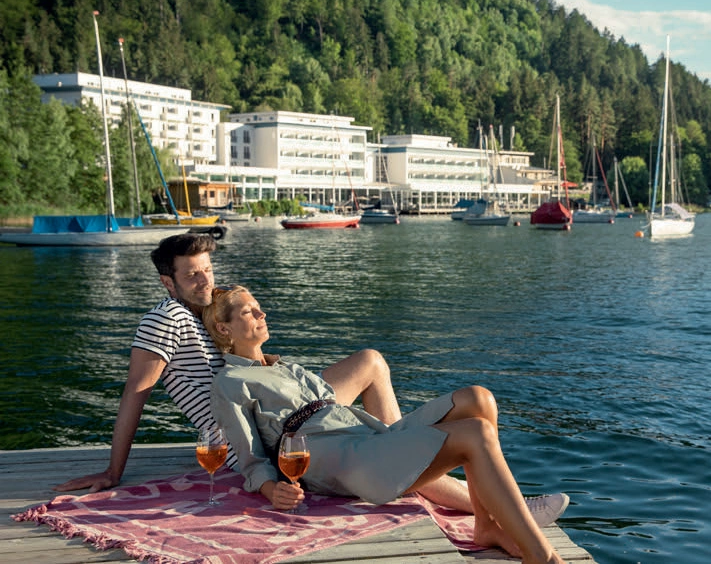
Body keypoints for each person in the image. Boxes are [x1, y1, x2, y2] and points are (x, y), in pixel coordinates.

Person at [52, 234, 566, 528]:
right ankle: (476, 497)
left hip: (272, 405)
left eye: (207, 270)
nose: (205, 281)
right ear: (168, 282)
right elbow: (135, 393)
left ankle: (397, 447)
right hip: (248, 431)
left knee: (370, 361)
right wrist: (113, 472)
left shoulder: (207, 311)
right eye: (192, 275)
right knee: (377, 426)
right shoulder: (164, 318)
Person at [203, 286, 567, 564]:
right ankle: (542, 557)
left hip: (365, 435)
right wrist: (271, 489)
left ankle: (485, 525)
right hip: (333, 458)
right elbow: (250, 456)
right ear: (224, 327)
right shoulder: (230, 382)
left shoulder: (286, 367)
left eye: (258, 307)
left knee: (479, 398)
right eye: (249, 311)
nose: (262, 313)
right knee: (476, 433)